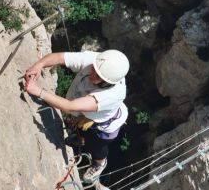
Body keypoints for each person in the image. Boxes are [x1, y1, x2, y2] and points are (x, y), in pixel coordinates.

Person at [24, 50, 130, 183]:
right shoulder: (96, 61)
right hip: (84, 109)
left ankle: (100, 163)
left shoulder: (110, 95)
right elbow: (60, 57)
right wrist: (40, 64)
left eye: (97, 76)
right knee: (77, 125)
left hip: (103, 124)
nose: (92, 74)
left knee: (96, 145)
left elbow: (70, 106)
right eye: (93, 69)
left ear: (108, 82)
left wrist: (39, 91)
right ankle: (79, 138)